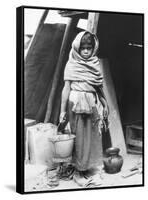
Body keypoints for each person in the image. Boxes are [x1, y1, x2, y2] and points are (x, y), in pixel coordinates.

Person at [59, 31, 109, 185]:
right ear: (77, 48)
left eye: (89, 47)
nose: (86, 51)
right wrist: (62, 111)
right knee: (79, 138)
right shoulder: (72, 64)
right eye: (83, 48)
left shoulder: (94, 64)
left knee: (93, 137)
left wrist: (105, 104)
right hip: (76, 105)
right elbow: (66, 89)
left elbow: (98, 88)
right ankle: (79, 171)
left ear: (93, 48)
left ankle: (88, 168)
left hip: (92, 104)